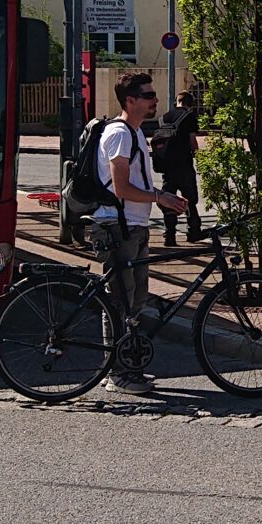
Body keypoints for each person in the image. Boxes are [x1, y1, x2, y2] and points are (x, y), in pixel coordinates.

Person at [92, 71, 189, 394]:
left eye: (153, 95)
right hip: (120, 225)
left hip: (135, 225)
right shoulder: (119, 134)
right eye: (148, 96)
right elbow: (120, 186)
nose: (155, 100)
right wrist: (159, 197)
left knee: (135, 300)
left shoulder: (134, 134)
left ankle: (127, 367)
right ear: (130, 101)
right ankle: (116, 373)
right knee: (119, 300)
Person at [156, 89, 202, 247]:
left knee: (169, 200)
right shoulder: (189, 116)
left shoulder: (163, 118)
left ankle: (170, 235)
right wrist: (199, 157)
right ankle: (193, 232)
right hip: (184, 166)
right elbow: (192, 141)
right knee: (190, 200)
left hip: (167, 168)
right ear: (190, 104)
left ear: (177, 102)